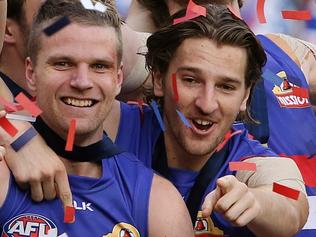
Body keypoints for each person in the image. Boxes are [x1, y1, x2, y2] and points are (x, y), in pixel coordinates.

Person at [0, 0, 194, 236]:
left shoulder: (159, 202)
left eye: (99, 66)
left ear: (119, 77)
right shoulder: (5, 170)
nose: (82, 82)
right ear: (31, 73)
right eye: (63, 63)